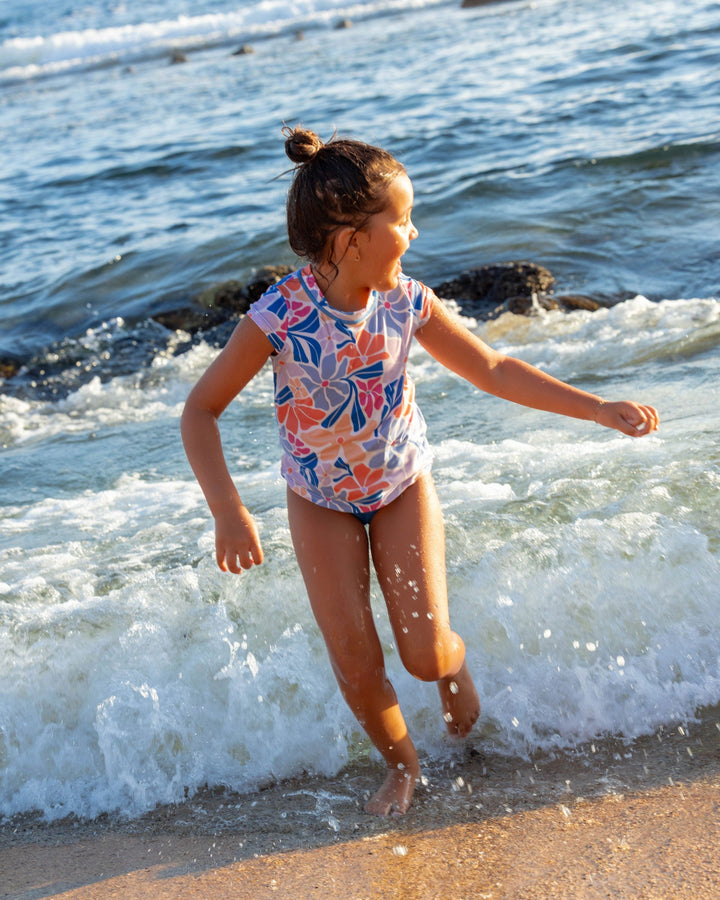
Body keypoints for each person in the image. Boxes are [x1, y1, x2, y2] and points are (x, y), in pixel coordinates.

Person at [181, 126, 659, 817]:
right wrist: (228, 510)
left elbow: (492, 369)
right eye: (401, 221)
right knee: (354, 656)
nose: (413, 232)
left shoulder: (409, 302)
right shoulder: (279, 315)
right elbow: (201, 410)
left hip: (402, 483)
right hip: (320, 501)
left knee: (425, 654)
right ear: (350, 238)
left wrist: (596, 408)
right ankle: (402, 766)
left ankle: (452, 666)